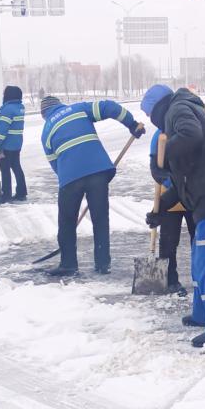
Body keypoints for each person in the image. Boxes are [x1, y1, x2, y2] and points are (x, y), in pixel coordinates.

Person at [145, 85, 205, 347]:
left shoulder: (178, 108)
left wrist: (164, 159)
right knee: (200, 259)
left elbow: (191, 135)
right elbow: (182, 182)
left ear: (157, 109)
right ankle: (202, 314)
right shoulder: (185, 110)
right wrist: (160, 209)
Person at [40, 94, 145, 276]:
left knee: (66, 221)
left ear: (44, 114)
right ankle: (103, 264)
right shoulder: (78, 109)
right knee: (100, 219)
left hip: (70, 177)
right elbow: (110, 107)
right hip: (98, 171)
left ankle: (68, 264)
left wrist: (72, 179)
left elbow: (55, 165)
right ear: (60, 105)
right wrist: (132, 124)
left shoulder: (45, 132)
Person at [141, 85, 193, 296]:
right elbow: (156, 170)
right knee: (169, 241)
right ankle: (170, 279)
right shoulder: (158, 137)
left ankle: (200, 279)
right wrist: (169, 180)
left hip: (192, 194)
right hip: (170, 197)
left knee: (197, 237)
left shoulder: (187, 129)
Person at [0, 85, 27, 203]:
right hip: (17, 144)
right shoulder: (20, 107)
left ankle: (6, 194)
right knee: (17, 167)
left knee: (5, 170)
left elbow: (2, 129)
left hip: (6, 145)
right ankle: (22, 192)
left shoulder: (7, 110)